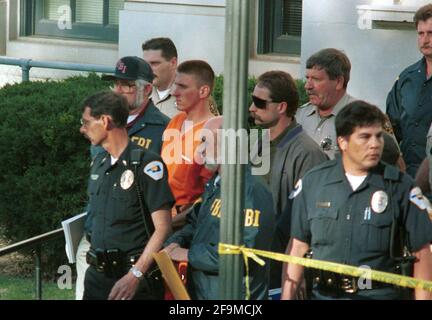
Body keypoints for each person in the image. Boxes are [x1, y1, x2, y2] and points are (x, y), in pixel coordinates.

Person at [281, 100, 432, 300]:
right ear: (343, 142)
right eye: (365, 137)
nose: (375, 144)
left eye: (379, 136)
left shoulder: (401, 187)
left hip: (380, 294)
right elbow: (298, 246)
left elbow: (421, 252)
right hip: (325, 295)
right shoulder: (313, 183)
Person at [75, 56, 170, 299]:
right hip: (97, 269)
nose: (82, 129)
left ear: (106, 121)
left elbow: (162, 224)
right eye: (116, 83)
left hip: (134, 272)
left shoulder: (152, 153)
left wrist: (136, 274)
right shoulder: (100, 159)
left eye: (126, 85)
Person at [163, 116, 275, 300]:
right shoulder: (215, 184)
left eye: (205, 141)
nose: (200, 150)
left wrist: (189, 255)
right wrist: (173, 243)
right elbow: (194, 224)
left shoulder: (251, 190)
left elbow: (244, 255)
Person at [249, 70, 328, 290]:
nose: (251, 108)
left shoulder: (307, 153)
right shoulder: (259, 143)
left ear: (281, 107)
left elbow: (309, 218)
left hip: (281, 262)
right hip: (254, 256)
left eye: (259, 103)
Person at [297, 49, 404, 170]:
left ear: (338, 82)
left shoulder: (367, 117)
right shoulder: (300, 116)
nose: (308, 86)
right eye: (307, 78)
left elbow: (395, 165)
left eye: (316, 79)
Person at [161, 60, 216, 229]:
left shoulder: (213, 132)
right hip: (159, 216)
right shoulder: (176, 121)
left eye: (182, 87)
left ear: (203, 91)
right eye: (174, 85)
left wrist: (171, 224)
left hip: (183, 224)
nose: (174, 92)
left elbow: (211, 194)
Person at [386, 4, 432, 178]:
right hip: (407, 178)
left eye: (431, 33)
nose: (425, 40)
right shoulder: (407, 78)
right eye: (421, 33)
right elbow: (390, 126)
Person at [142, 37, 179, 118]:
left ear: (173, 63)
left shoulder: (193, 97)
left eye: (154, 63)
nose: (148, 69)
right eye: (145, 64)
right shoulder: (140, 96)